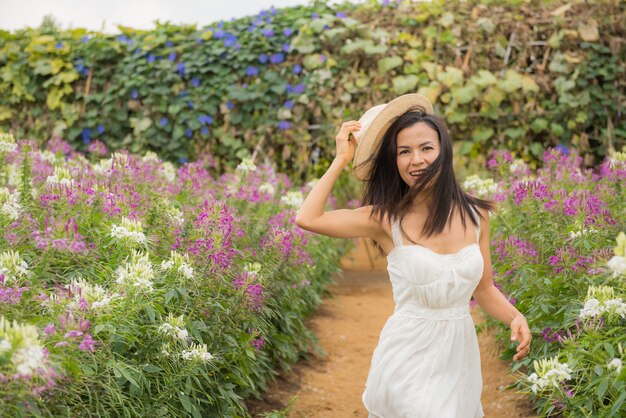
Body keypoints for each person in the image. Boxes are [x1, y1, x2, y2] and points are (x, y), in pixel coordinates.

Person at [295, 93, 531, 417]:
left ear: (443, 152)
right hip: (407, 355)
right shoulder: (384, 218)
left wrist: (515, 317)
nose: (416, 160)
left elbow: (484, 288)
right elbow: (308, 218)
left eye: (426, 148)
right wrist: (340, 159)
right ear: (395, 162)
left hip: (458, 357)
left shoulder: (476, 216)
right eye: (404, 152)